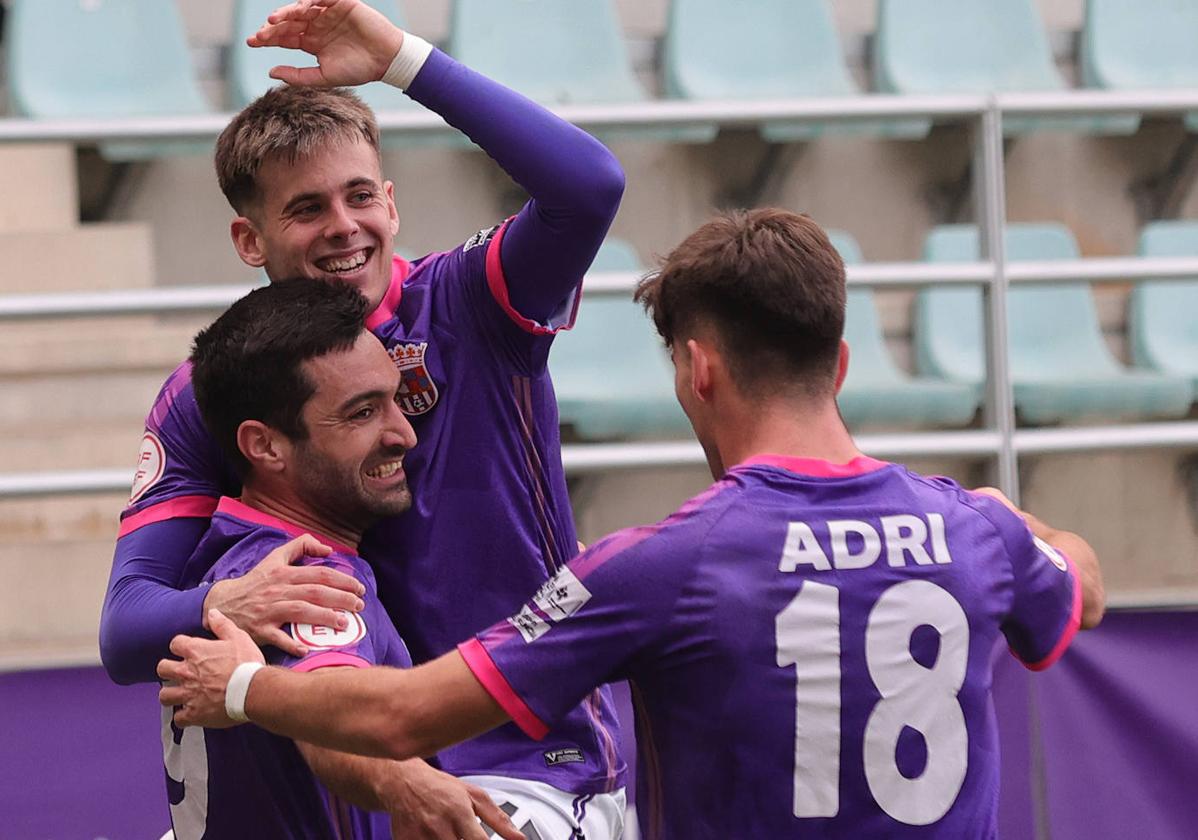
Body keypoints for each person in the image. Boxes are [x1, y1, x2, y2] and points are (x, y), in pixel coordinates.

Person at [160, 209, 1105, 839]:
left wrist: (242, 687)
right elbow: (1081, 586)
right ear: (843, 361)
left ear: (698, 370)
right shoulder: (973, 533)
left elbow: (404, 711)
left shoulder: (662, 565)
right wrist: (1007, 518)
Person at [100, 0, 628, 836]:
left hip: (527, 763)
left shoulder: (471, 300)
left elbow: (590, 186)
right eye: (307, 209)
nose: (343, 228)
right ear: (250, 238)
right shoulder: (221, 385)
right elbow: (125, 632)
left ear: (391, 200)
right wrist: (223, 603)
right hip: (349, 758)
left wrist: (404, 61)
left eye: (358, 198)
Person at [167, 277, 520, 839]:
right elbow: (329, 719)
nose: (404, 433)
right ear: (265, 446)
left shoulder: (232, 548)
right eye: (361, 414)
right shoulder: (306, 577)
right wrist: (405, 782)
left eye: (394, 402)